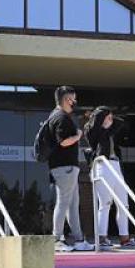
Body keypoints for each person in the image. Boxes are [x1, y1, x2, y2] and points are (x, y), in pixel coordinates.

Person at [85, 107, 135, 249]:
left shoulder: (111, 129)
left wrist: (109, 118)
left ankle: (125, 238)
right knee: (105, 204)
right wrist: (99, 119)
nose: (111, 119)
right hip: (102, 165)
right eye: (107, 116)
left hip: (115, 165)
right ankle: (102, 238)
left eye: (110, 117)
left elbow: (121, 122)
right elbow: (94, 139)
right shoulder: (92, 130)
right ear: (100, 118)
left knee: (124, 204)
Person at [47, 86, 93, 252]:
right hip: (64, 167)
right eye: (73, 99)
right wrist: (78, 135)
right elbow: (63, 142)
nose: (74, 102)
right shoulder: (60, 117)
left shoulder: (58, 116)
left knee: (73, 204)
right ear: (66, 100)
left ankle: (79, 239)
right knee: (64, 202)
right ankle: (57, 239)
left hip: (66, 167)